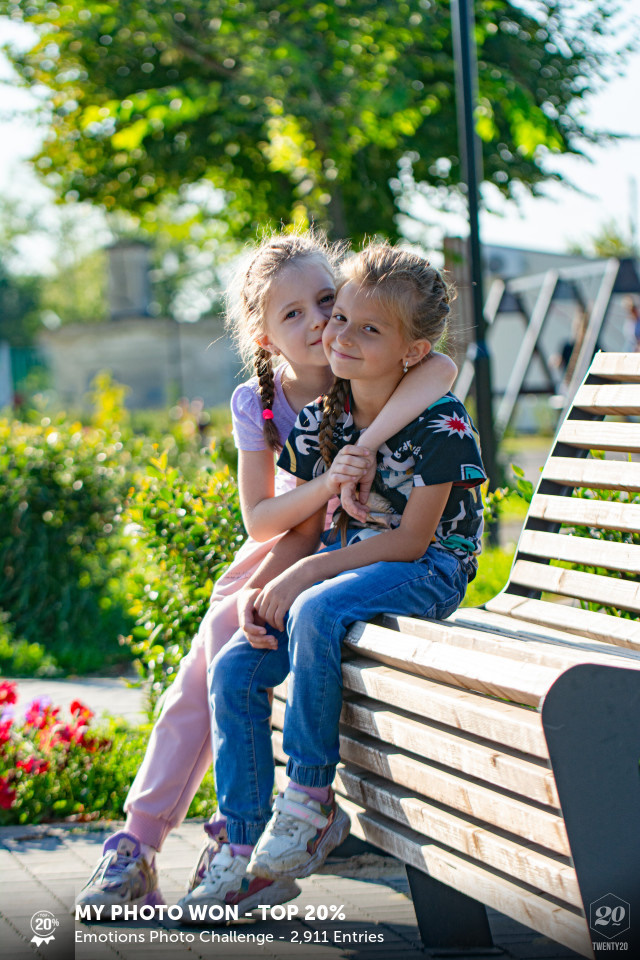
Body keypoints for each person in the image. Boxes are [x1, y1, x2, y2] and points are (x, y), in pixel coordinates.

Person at [75, 232, 458, 916]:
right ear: (263, 335)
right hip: (292, 535)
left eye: (327, 300)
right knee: (222, 643)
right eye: (294, 313)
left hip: (351, 546)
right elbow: (265, 522)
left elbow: (442, 368)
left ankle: (241, 832)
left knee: (245, 636)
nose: (320, 322)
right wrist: (330, 485)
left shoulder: (364, 357)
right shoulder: (266, 399)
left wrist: (365, 447)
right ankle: (142, 841)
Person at [181, 242, 485, 915]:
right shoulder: (325, 417)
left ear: (409, 351)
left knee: (316, 609)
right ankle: (244, 849)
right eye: (340, 317)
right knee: (233, 669)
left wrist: (310, 573)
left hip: (428, 568)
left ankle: (311, 800)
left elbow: (412, 542)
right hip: (350, 565)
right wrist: (270, 586)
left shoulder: (442, 422)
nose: (338, 334)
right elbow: (297, 528)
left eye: (367, 328)